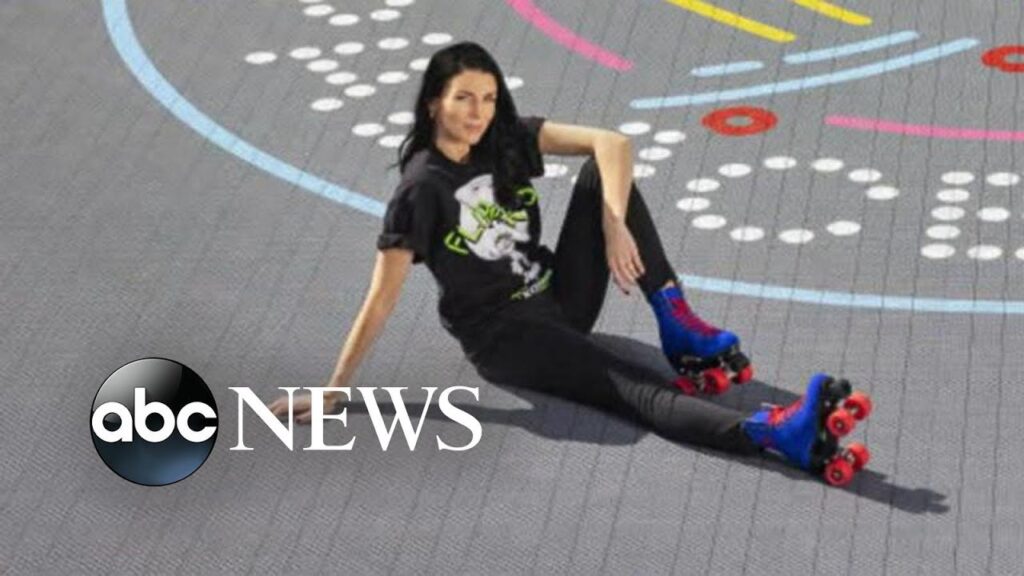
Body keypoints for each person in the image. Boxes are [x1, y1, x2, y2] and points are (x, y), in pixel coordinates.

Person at [267, 42, 872, 486]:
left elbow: (612, 144)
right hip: (508, 337)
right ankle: (772, 435)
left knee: (605, 180)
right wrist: (333, 390)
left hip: (560, 295)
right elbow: (382, 297)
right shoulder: (422, 190)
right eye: (462, 99)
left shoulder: (502, 139)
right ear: (433, 105)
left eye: (488, 97)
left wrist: (611, 223)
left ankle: (678, 323)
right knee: (639, 392)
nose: (478, 112)